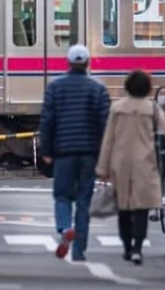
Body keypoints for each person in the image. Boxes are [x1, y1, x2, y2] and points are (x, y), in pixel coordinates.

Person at [38, 44, 111, 262]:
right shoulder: (98, 89)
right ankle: (79, 249)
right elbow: (105, 125)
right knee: (84, 201)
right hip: (89, 153)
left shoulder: (55, 88)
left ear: (67, 63)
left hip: (64, 152)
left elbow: (47, 120)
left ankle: (64, 228)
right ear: (88, 63)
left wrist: (47, 150)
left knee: (62, 195)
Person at [96, 69, 165, 265]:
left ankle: (127, 247)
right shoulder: (152, 109)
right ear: (147, 89)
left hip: (120, 163)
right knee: (141, 208)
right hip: (145, 163)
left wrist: (102, 168)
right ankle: (138, 248)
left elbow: (108, 139)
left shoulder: (117, 108)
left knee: (124, 207)